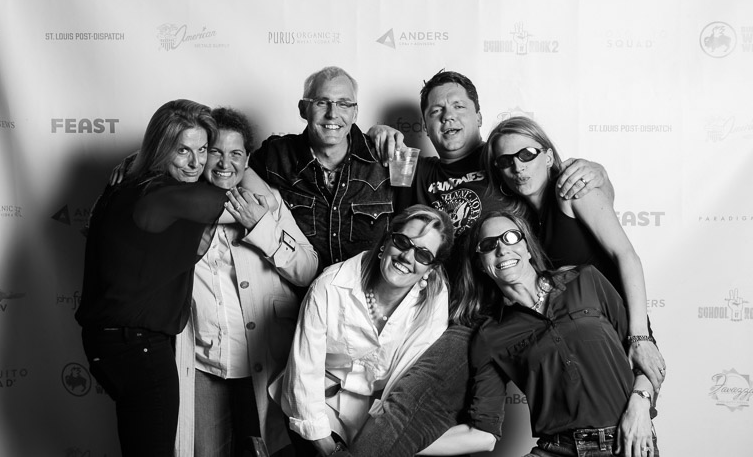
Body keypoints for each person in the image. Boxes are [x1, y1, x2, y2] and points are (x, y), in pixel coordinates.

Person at [75, 100, 231, 457]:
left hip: (112, 345)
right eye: (183, 150)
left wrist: (137, 157)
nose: (196, 163)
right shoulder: (165, 196)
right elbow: (242, 199)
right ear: (161, 149)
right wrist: (243, 163)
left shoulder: (130, 186)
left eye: (203, 150)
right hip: (138, 347)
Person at [452, 211, 659, 457]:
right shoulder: (490, 335)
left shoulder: (586, 279)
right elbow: (483, 430)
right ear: (480, 264)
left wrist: (641, 403)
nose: (502, 249)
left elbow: (645, 355)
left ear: (527, 247)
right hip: (558, 448)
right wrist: (412, 441)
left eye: (510, 237)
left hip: (626, 442)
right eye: (488, 244)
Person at [174, 108, 319, 457]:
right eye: (215, 152)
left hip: (265, 363)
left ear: (248, 159)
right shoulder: (178, 204)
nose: (226, 163)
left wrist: (262, 227)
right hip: (203, 365)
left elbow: (306, 269)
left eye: (236, 153)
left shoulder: (268, 202)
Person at [483, 116, 665, 389]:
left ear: (547, 156)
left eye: (526, 154)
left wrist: (640, 338)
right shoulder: (523, 226)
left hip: (624, 333)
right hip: (583, 347)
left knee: (636, 412)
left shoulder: (572, 191)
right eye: (505, 161)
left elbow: (626, 256)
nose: (518, 167)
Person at [279, 205, 455, 457]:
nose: (407, 257)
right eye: (402, 242)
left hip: (378, 415)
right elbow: (304, 374)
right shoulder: (329, 286)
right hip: (317, 404)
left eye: (423, 254)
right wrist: (331, 450)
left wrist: (381, 441)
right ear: (386, 241)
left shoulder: (433, 300)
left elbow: (407, 382)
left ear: (431, 268)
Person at [369, 70, 611, 242]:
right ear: (425, 126)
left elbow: (577, 199)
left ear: (479, 118)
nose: (448, 116)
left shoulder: (507, 159)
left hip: (507, 287)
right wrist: (375, 134)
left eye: (458, 106)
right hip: (445, 293)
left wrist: (600, 176)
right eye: (436, 111)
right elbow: (357, 161)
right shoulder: (412, 169)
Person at [249, 66, 393, 272]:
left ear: (355, 113)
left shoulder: (384, 157)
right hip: (301, 290)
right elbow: (232, 170)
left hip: (366, 289)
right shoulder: (276, 156)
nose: (332, 114)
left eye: (344, 104)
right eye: (321, 102)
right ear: (303, 109)